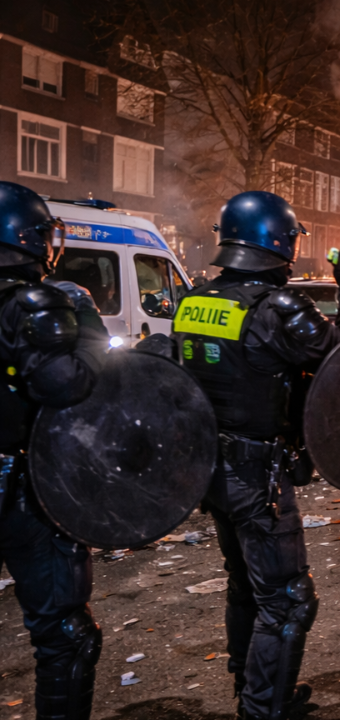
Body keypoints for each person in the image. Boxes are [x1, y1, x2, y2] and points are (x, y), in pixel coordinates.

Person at [147, 192, 340, 720]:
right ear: (280, 243)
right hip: (256, 475)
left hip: (210, 469)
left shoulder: (195, 301)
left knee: (246, 585)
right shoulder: (278, 309)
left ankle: (255, 692)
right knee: (288, 599)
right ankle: (261, 709)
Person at [0, 182, 109, 720]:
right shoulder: (33, 303)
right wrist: (87, 329)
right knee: (66, 635)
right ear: (29, 236)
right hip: (23, 491)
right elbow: (68, 385)